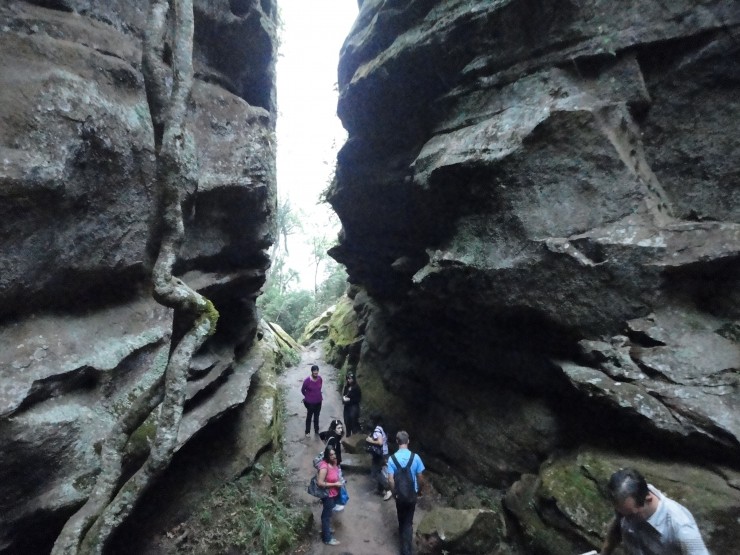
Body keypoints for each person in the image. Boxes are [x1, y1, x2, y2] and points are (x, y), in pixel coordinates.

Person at [599, 467, 709, 555]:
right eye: (621, 513)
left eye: (631, 516)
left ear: (648, 499)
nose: (627, 521)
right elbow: (617, 525)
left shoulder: (681, 527)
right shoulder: (628, 505)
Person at [386, 430, 425, 555]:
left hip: (399, 495)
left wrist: (394, 493)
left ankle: (404, 546)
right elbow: (420, 477)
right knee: (408, 521)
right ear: (408, 441)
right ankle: (407, 550)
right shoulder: (415, 457)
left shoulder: (392, 459)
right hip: (412, 494)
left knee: (401, 519)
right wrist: (419, 491)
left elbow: (390, 480)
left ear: (397, 441)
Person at [316, 445, 343, 546]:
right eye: (331, 455)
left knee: (329, 512)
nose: (334, 456)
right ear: (327, 456)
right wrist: (335, 484)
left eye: (334, 454)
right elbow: (320, 483)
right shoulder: (324, 467)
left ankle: (326, 529)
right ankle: (327, 538)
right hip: (328, 495)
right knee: (326, 516)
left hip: (334, 493)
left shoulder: (334, 462)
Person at [365, 414, 391, 500]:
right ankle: (380, 489)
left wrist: (370, 440)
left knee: (375, 473)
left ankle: (387, 489)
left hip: (379, 455)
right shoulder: (383, 428)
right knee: (380, 471)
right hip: (385, 453)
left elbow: (380, 442)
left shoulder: (377, 429)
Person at [301, 364, 322, 437]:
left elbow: (320, 388)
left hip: (319, 401)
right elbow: (303, 390)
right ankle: (307, 432)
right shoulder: (307, 380)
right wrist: (307, 396)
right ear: (312, 372)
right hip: (310, 403)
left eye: (317, 371)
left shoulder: (320, 379)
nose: (316, 373)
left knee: (317, 416)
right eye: (314, 371)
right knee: (309, 417)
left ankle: (316, 430)